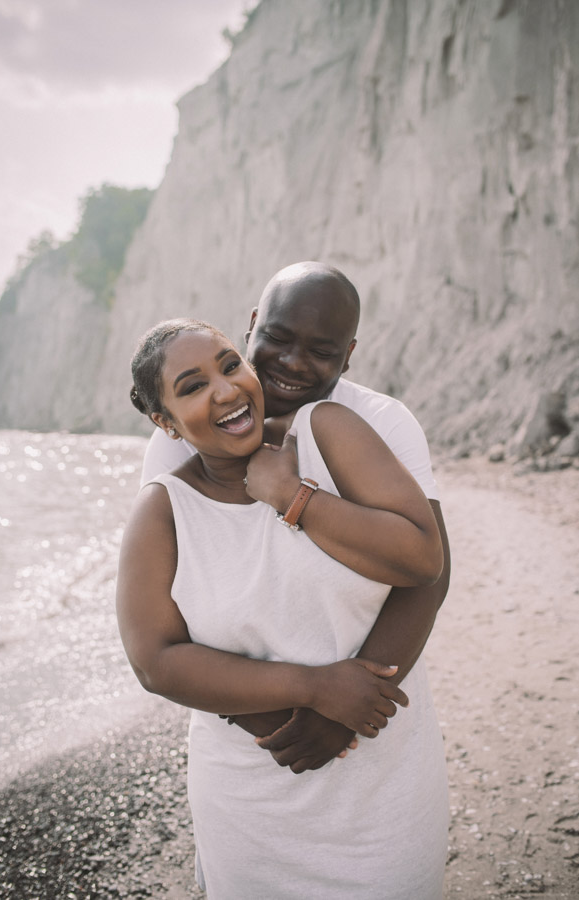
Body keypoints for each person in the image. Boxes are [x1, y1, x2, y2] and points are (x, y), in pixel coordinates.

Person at [117, 318, 449, 898]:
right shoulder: (164, 510)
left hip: (383, 787)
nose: (225, 390)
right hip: (251, 801)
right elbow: (156, 661)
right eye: (193, 387)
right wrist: (314, 688)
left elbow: (423, 561)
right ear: (164, 422)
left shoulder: (327, 433)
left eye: (230, 365)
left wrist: (293, 496)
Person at [139, 261, 451, 774]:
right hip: (251, 751)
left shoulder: (379, 422)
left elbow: (427, 578)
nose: (292, 362)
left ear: (348, 355)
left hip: (376, 728)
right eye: (278, 338)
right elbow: (166, 622)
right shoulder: (181, 442)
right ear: (253, 326)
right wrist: (291, 711)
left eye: (321, 351)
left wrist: (352, 707)